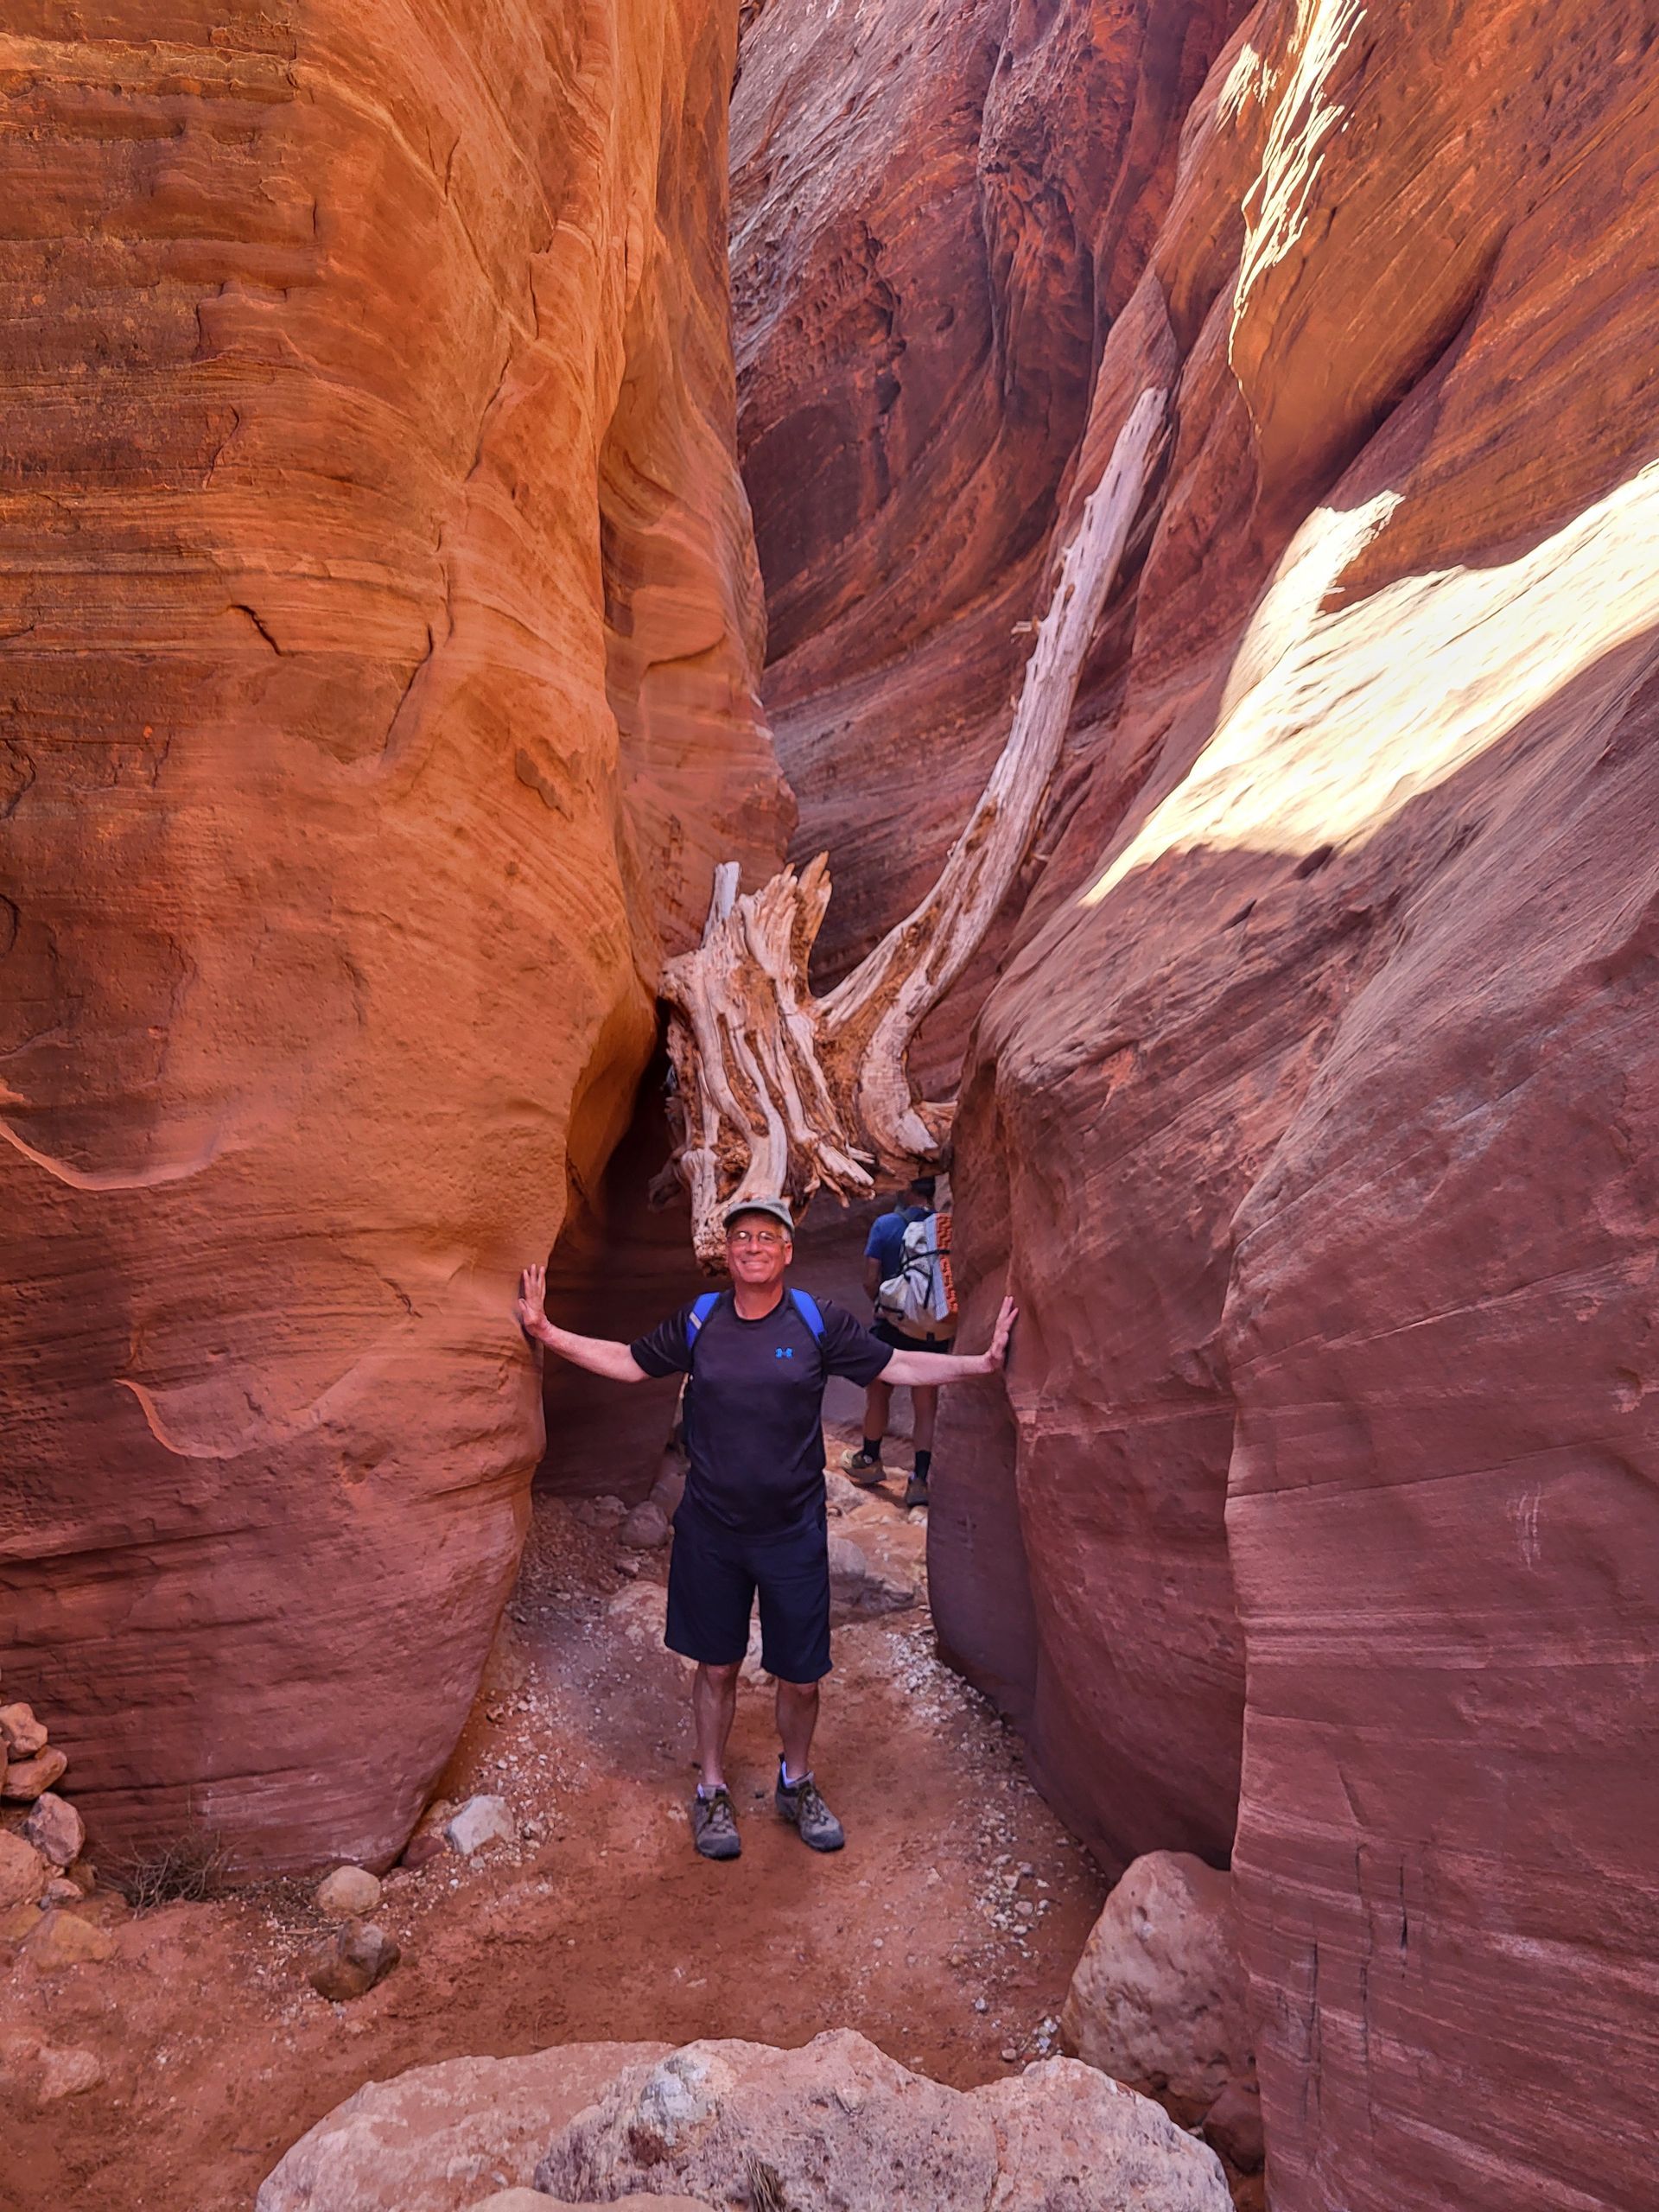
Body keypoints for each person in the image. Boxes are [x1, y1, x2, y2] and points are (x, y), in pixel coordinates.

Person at [514, 1196, 1015, 1864]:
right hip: (712, 1531)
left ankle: (796, 1780)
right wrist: (547, 1332)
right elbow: (633, 1362)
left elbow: (893, 1365)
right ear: (728, 1253)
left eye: (766, 1236)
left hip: (792, 1532)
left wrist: (978, 1364)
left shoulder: (815, 1320)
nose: (751, 1245)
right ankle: (713, 1787)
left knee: (801, 1676)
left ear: (787, 1253)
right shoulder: (701, 1319)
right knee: (717, 1666)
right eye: (740, 1236)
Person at [843, 1177, 955, 1507]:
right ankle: (920, 1480)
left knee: (878, 1394)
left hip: (891, 1326)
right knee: (925, 1406)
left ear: (908, 1190)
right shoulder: (943, 1227)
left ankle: (870, 1460)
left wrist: (885, 1304)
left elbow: (870, 1279)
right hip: (933, 1329)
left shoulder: (887, 1224)